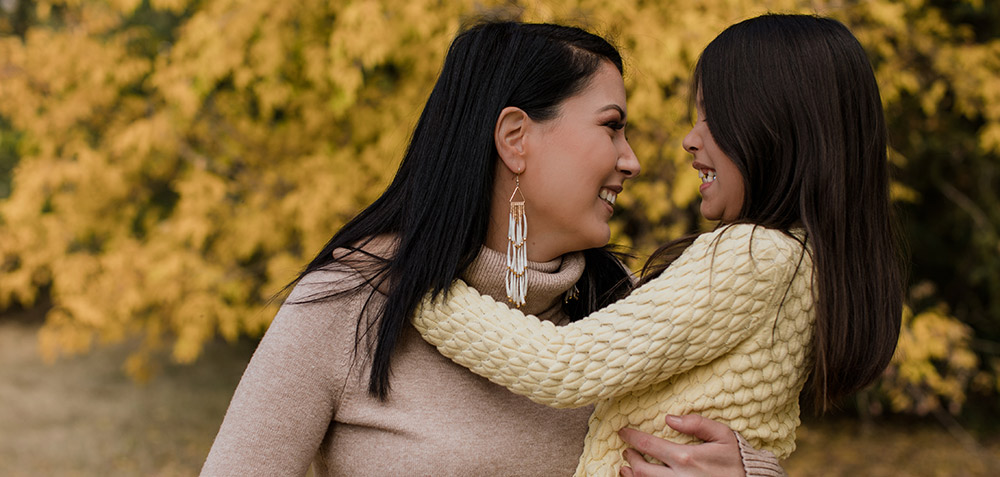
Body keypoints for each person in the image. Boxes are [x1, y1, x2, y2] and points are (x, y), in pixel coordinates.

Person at [201, 20, 781, 476]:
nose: (631, 160)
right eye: (611, 126)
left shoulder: (628, 310)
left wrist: (752, 474)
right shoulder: (350, 300)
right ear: (515, 138)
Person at [412, 13, 905, 477]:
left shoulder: (752, 255)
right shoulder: (804, 267)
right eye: (611, 126)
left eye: (713, 117)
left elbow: (560, 365)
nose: (689, 140)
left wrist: (417, 281)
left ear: (777, 129)